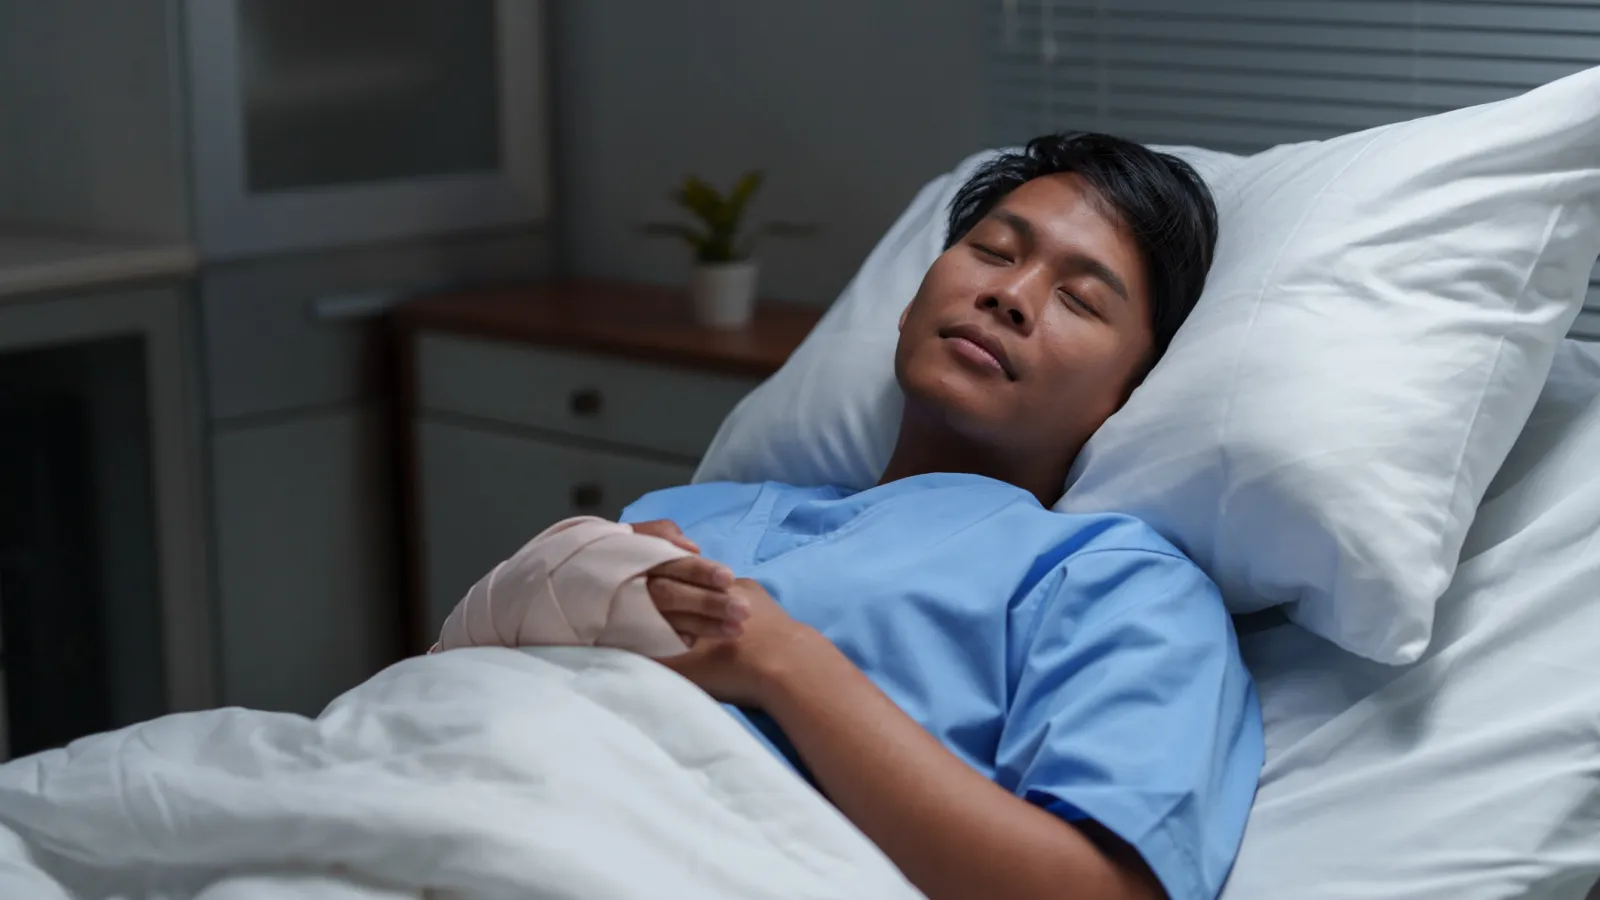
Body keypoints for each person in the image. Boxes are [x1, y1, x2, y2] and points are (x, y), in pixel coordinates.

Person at [618, 133, 1261, 900]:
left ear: (1122, 397)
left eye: (1080, 299)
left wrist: (782, 662)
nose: (1010, 295)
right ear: (912, 301)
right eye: (992, 251)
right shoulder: (680, 515)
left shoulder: (1118, 586)